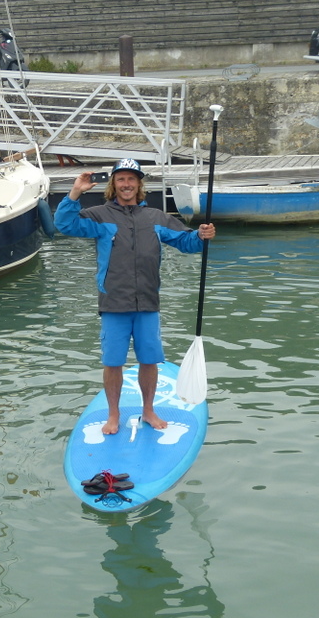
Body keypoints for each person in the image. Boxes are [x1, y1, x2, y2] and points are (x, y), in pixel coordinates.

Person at [53, 158, 216, 435]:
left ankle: (148, 410)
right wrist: (75, 192)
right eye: (121, 179)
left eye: (132, 179)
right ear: (113, 184)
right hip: (114, 304)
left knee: (149, 360)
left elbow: (187, 242)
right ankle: (113, 415)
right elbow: (65, 224)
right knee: (113, 362)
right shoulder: (98, 216)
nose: (126, 185)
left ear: (139, 184)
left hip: (147, 303)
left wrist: (202, 235)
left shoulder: (157, 218)